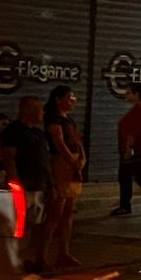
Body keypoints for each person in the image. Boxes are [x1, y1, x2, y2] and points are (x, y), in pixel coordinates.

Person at [1, 96, 53, 271]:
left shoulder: (38, 133)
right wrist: (15, 183)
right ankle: (14, 261)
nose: (42, 113)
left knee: (37, 225)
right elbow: (9, 158)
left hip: (39, 187)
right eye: (39, 109)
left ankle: (31, 258)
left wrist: (50, 184)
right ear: (28, 110)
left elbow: (45, 160)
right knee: (18, 227)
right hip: (23, 187)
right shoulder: (13, 132)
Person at [44, 86, 86, 268]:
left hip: (73, 165)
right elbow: (59, 144)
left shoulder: (69, 120)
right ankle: (42, 254)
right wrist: (72, 161)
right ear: (58, 99)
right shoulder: (53, 120)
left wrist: (81, 159)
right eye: (70, 97)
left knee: (69, 211)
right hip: (61, 166)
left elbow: (77, 141)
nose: (73, 101)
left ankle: (64, 252)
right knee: (56, 212)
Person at [113, 83, 141, 216]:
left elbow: (133, 131)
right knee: (136, 176)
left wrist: (128, 149)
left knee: (133, 176)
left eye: (129, 93)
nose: (126, 96)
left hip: (136, 150)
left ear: (136, 94)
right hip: (137, 149)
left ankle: (129, 205)